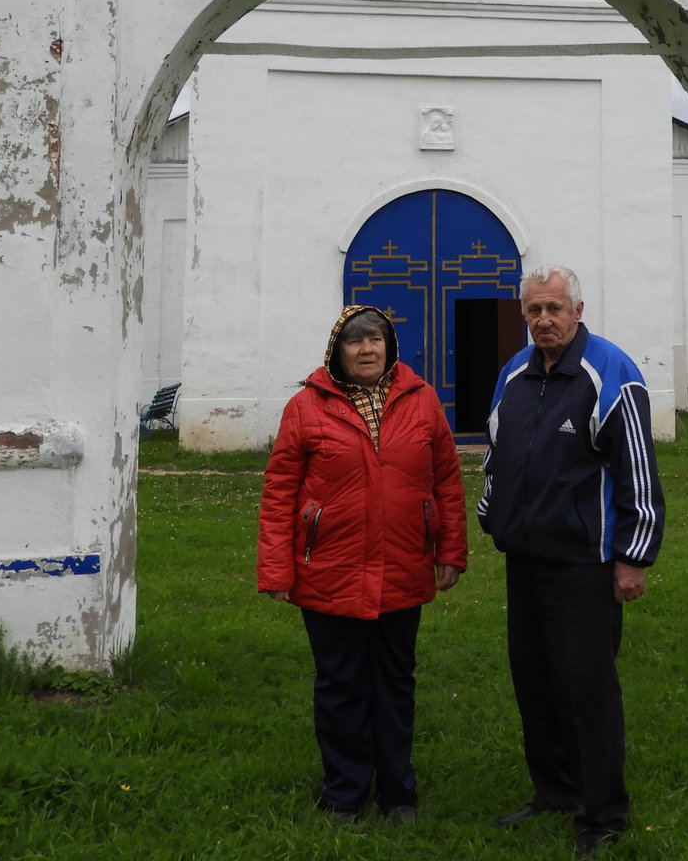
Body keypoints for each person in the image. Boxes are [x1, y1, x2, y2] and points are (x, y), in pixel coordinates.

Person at [477, 264, 665, 858]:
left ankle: (603, 811)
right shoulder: (514, 372)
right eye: (534, 310)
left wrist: (633, 557)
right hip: (525, 556)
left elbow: (638, 472)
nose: (544, 320)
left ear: (577, 311)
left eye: (555, 308)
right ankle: (554, 792)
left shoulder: (611, 372)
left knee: (587, 688)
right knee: (534, 681)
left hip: (586, 562)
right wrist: (492, 514)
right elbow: (496, 453)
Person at [259, 305, 467, 822]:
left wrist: (451, 550)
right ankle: (344, 792)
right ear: (338, 352)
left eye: (375, 339)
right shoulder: (306, 407)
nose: (367, 349)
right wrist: (277, 568)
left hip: (402, 564)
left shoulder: (422, 401)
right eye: (355, 342)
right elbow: (280, 490)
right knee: (340, 685)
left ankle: (397, 792)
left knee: (395, 681)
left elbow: (446, 479)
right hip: (331, 569)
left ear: (389, 346)